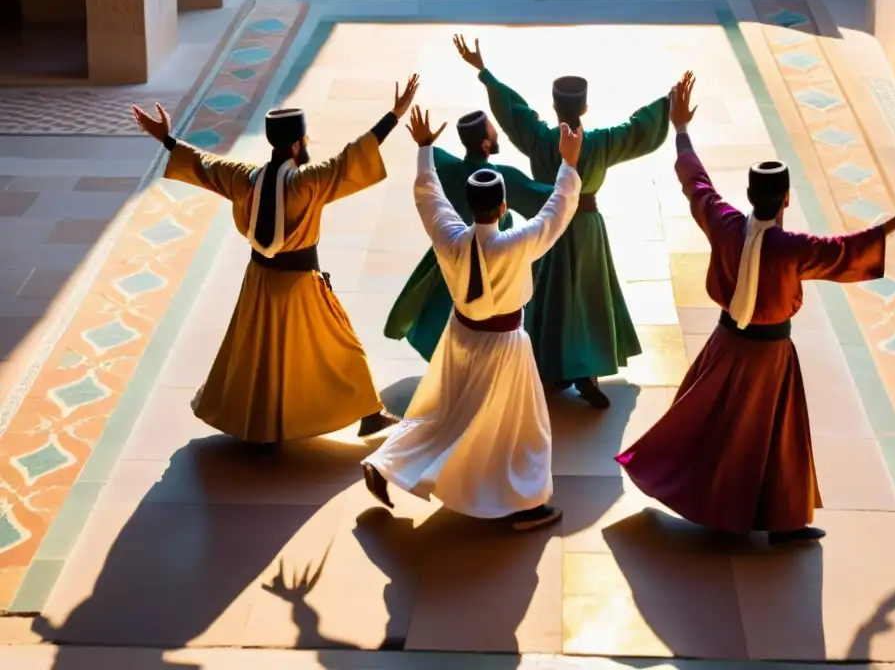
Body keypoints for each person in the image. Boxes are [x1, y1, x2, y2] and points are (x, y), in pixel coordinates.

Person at [615, 72, 895, 544]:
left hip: (726, 344)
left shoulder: (725, 224)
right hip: (770, 357)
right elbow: (846, 248)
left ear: (751, 196)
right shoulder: (792, 248)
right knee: (771, 435)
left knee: (712, 424)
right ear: (786, 199)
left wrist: (681, 128)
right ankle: (780, 519)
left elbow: (696, 181)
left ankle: (722, 506)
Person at [131, 76, 421, 451]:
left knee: (260, 355)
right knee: (341, 345)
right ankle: (367, 413)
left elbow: (204, 165)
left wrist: (167, 139)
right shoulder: (307, 183)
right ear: (297, 144)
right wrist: (394, 116)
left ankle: (264, 427)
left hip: (260, 280)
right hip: (300, 284)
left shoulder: (245, 179)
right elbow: (352, 157)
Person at [362, 105, 583, 531]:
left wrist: (425, 148)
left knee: (445, 414)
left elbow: (428, 195)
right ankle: (525, 505)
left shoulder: (450, 236)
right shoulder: (516, 242)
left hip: (460, 335)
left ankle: (386, 462)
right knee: (524, 425)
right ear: (502, 207)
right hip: (504, 346)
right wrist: (569, 164)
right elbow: (555, 213)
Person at [454, 34, 672, 409]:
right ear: (584, 108)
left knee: (551, 296)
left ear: (554, 107)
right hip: (587, 229)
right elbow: (639, 129)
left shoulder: (540, 139)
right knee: (586, 296)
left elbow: (514, 112)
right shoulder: (600, 142)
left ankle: (551, 368)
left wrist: (484, 73)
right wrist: (669, 104)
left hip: (549, 224)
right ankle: (585, 373)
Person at [383, 109, 554, 362]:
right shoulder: (500, 179)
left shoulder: (451, 171)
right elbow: (545, 197)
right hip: (494, 265)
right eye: (492, 129)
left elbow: (429, 171)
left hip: (454, 260)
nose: (497, 132)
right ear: (486, 143)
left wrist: (425, 145)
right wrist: (570, 175)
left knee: (448, 317)